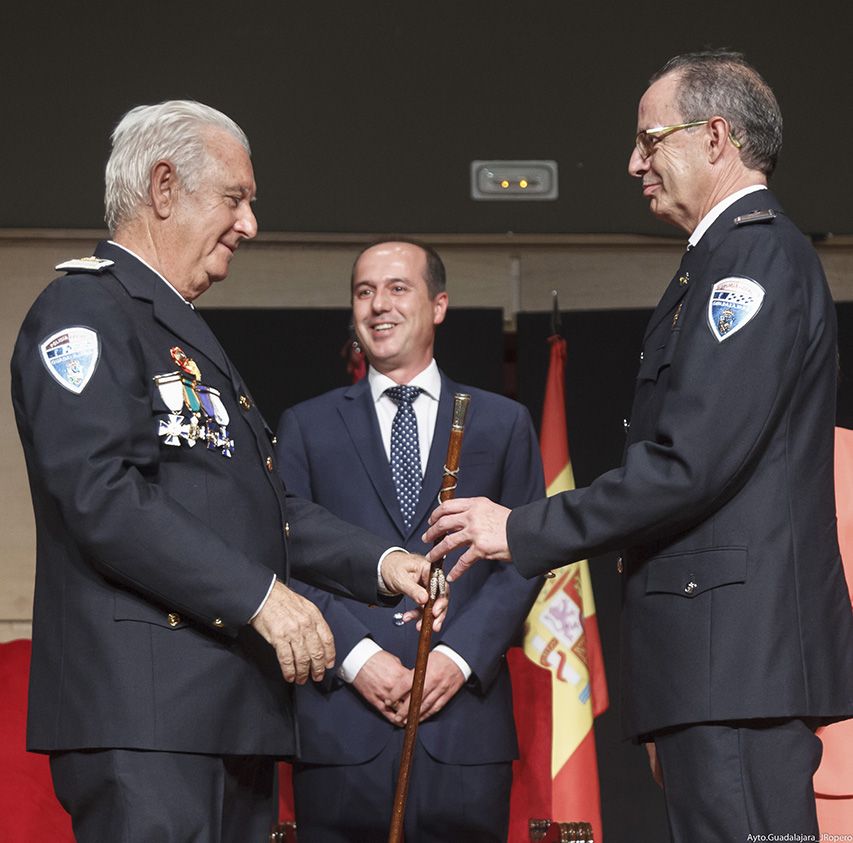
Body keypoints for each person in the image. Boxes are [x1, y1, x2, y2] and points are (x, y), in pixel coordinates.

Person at [425, 51, 853, 842]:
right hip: (716, 664)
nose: (633, 162)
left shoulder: (750, 259)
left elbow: (691, 463)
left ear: (715, 136)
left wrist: (517, 529)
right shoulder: (721, 260)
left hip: (735, 664)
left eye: (649, 140)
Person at [10, 101, 443, 843]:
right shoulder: (83, 313)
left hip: (224, 711)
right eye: (235, 199)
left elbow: (257, 506)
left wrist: (381, 559)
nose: (249, 225)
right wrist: (260, 598)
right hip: (146, 718)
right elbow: (101, 497)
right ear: (166, 188)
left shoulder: (174, 324)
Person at [275, 238, 544, 842]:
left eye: (398, 288)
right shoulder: (306, 426)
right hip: (342, 724)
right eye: (364, 292)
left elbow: (527, 557)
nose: (378, 305)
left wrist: (458, 657)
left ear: (439, 304)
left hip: (463, 725)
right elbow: (286, 554)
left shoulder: (502, 424)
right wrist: (358, 659)